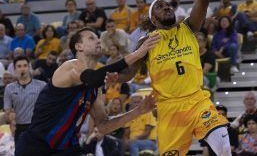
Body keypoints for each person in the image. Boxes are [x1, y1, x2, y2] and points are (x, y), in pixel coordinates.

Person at [131, 0, 234, 155]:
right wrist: (113, 76)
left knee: (224, 146)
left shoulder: (188, 27)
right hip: (169, 109)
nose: (166, 7)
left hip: (197, 101)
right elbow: (129, 71)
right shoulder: (146, 42)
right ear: (153, 18)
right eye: (160, 6)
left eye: (168, 4)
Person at [15, 27, 160, 155]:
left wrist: (139, 111)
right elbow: (94, 77)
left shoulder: (95, 88)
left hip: (66, 148)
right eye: (91, 38)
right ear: (79, 47)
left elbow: (103, 126)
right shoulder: (70, 66)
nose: (98, 41)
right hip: (36, 145)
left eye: (98, 38)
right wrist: (138, 53)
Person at [4, 56, 46, 145]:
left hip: (37, 127)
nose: (22, 69)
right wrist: (10, 117)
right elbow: (7, 110)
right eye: (19, 66)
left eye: (25, 66)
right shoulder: (9, 88)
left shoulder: (41, 86)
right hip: (19, 128)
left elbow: (48, 106)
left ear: (29, 68)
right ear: (15, 70)